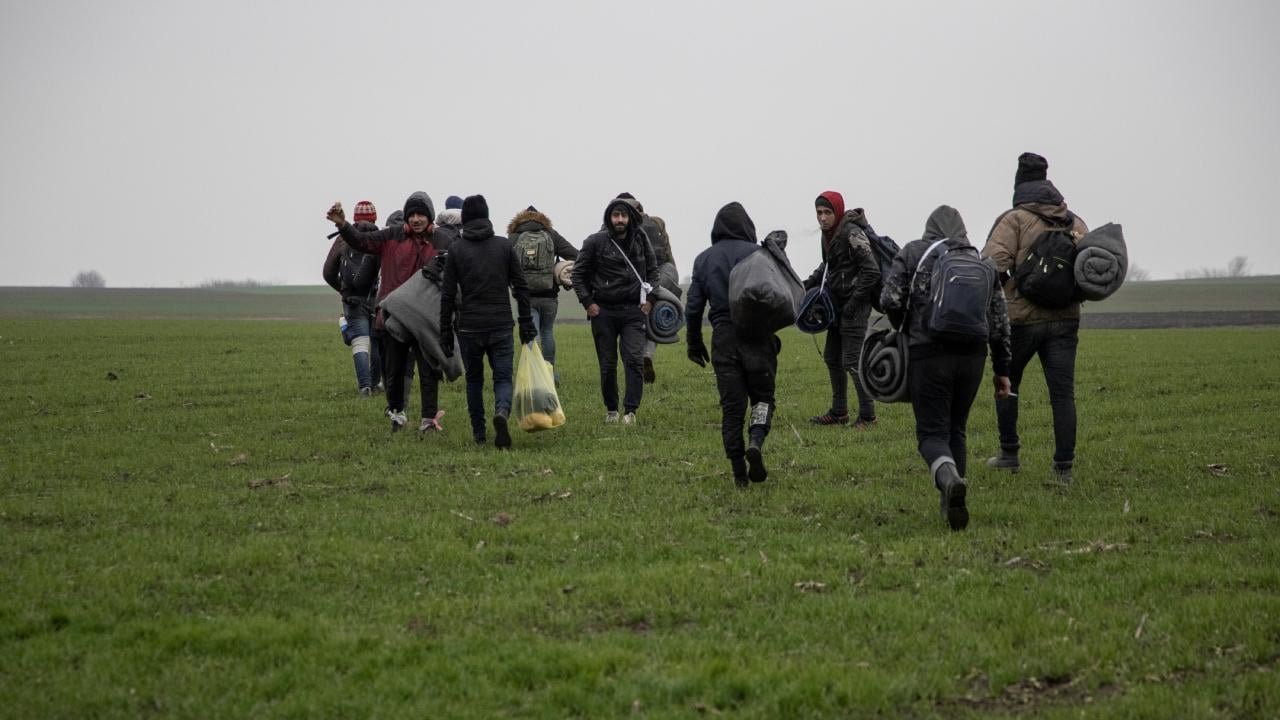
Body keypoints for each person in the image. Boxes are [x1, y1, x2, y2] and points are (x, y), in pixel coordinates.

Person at [880, 205, 1012, 530]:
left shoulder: (914, 252)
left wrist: (906, 328)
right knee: (957, 430)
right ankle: (950, 505)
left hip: (929, 354)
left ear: (930, 229)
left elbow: (890, 299)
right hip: (973, 357)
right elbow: (999, 321)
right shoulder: (983, 263)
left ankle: (949, 479)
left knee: (930, 434)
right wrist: (1002, 369)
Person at [981, 152, 1090, 484]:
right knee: (1062, 394)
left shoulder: (1013, 220)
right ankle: (1063, 468)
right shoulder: (1074, 221)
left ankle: (1010, 453)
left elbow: (991, 266)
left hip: (1021, 320)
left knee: (1006, 385)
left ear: (1019, 186)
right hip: (1065, 320)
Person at [325, 191, 452, 432]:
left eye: (421, 214)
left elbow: (459, 266)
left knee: (428, 370)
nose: (416, 219)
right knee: (393, 371)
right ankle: (397, 413)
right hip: (393, 316)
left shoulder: (443, 241)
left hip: (425, 318)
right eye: (411, 214)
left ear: (430, 216)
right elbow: (362, 241)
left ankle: (428, 420)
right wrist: (343, 225)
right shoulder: (391, 237)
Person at [686, 202, 780, 488]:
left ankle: (739, 472)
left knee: (732, 409)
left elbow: (693, 308)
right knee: (763, 398)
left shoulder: (704, 259)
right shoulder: (759, 254)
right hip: (757, 337)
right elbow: (776, 295)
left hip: (724, 338)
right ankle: (756, 440)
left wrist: (694, 342)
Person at [439, 195, 537, 448]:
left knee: (474, 381)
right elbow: (521, 286)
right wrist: (526, 321)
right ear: (487, 216)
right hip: (501, 324)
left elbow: (447, 294)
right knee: (503, 378)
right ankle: (502, 412)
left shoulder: (457, 250)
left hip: (469, 327)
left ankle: (479, 435)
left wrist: (445, 332)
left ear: (466, 219)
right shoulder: (503, 246)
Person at [572, 195, 660, 424]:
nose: (619, 220)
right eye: (615, 215)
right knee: (607, 364)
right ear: (609, 218)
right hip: (604, 312)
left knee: (633, 360)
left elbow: (654, 271)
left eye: (623, 215)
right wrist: (588, 303)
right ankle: (612, 410)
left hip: (633, 311)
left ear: (630, 218)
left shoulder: (641, 239)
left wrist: (650, 299)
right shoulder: (595, 242)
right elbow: (578, 274)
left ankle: (630, 411)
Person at [804, 191, 881, 428]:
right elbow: (829, 265)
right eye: (819, 213)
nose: (823, 218)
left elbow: (872, 270)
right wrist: (805, 285)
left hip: (855, 307)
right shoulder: (828, 235)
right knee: (831, 357)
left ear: (837, 212)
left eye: (827, 212)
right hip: (836, 306)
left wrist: (853, 303)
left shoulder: (851, 232)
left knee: (851, 360)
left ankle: (868, 416)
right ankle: (839, 413)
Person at [507, 205, 579, 382]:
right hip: (549, 295)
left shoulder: (514, 236)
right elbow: (576, 254)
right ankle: (549, 373)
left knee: (531, 333)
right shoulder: (551, 234)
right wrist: (560, 268)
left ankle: (532, 373)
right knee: (547, 332)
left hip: (525, 295)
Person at [614, 193, 677, 385]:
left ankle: (633, 366)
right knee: (651, 315)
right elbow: (668, 256)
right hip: (659, 277)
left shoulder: (616, 224)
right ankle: (647, 354)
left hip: (631, 281)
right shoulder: (656, 223)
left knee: (629, 324)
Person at [322, 200, 382, 395]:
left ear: (354, 219)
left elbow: (328, 272)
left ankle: (365, 387)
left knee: (360, 342)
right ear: (375, 218)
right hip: (375, 298)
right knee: (378, 342)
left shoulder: (342, 239)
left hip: (352, 300)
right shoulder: (380, 238)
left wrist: (343, 289)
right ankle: (376, 383)